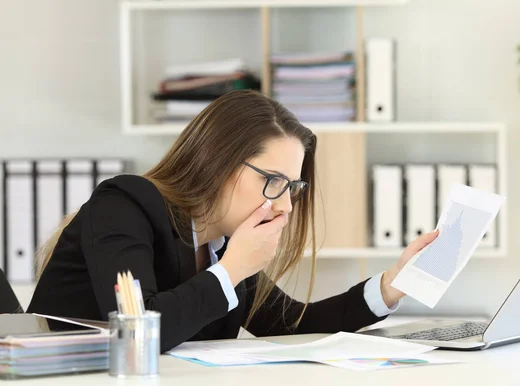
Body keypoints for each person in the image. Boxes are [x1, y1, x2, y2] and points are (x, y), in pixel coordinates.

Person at [27, 90, 439, 352]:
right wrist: (233, 268)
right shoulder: (125, 203)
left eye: (291, 186)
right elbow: (138, 332)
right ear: (217, 163)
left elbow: (295, 324)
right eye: (273, 181)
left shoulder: (222, 244)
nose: (286, 206)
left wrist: (389, 287)